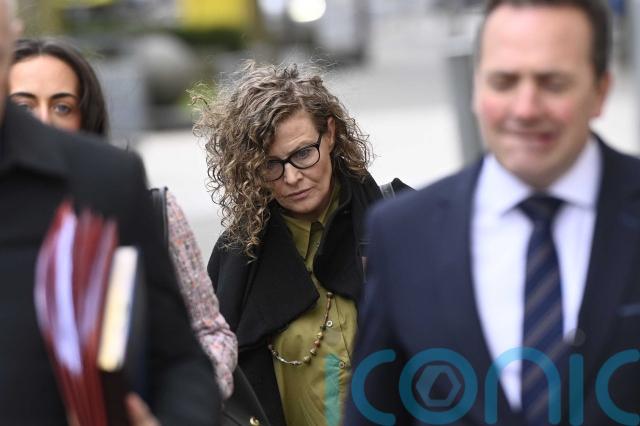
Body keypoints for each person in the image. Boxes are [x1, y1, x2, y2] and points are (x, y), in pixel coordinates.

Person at [346, 0, 640, 425]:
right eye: (504, 82)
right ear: (476, 89)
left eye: (553, 83)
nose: (525, 108)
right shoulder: (403, 234)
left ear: (600, 91)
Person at [0, 1, 220, 424]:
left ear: (12, 33)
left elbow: (181, 360)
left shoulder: (106, 181)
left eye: (62, 106)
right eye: (26, 103)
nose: (44, 117)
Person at [196, 61, 408, 426]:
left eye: (303, 154)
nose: (292, 177)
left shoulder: (403, 221)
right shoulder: (235, 262)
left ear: (330, 133)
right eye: (271, 164)